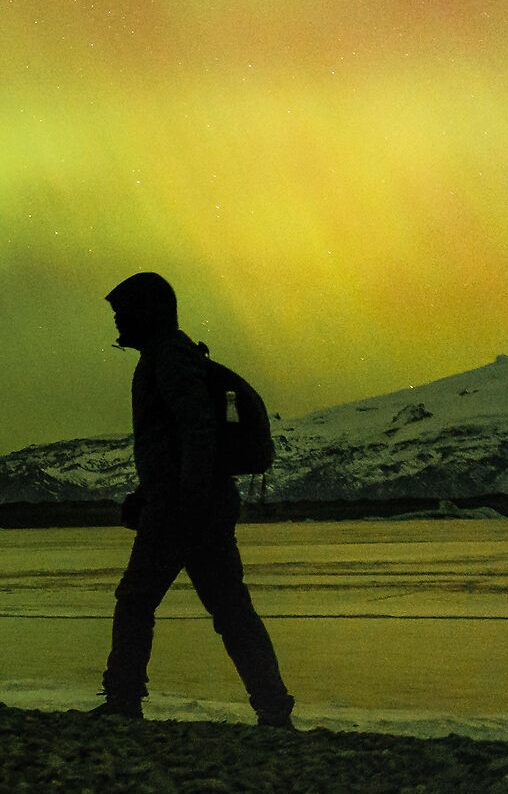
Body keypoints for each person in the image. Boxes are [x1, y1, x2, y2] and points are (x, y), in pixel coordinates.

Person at [93, 271, 296, 728]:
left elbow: (196, 429)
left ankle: (123, 703)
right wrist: (152, 493)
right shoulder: (173, 355)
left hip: (185, 507)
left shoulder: (168, 358)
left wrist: (181, 498)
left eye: (122, 313)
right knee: (229, 609)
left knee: (136, 599)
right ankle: (273, 707)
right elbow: (178, 439)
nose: (118, 324)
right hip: (195, 502)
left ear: (148, 312)